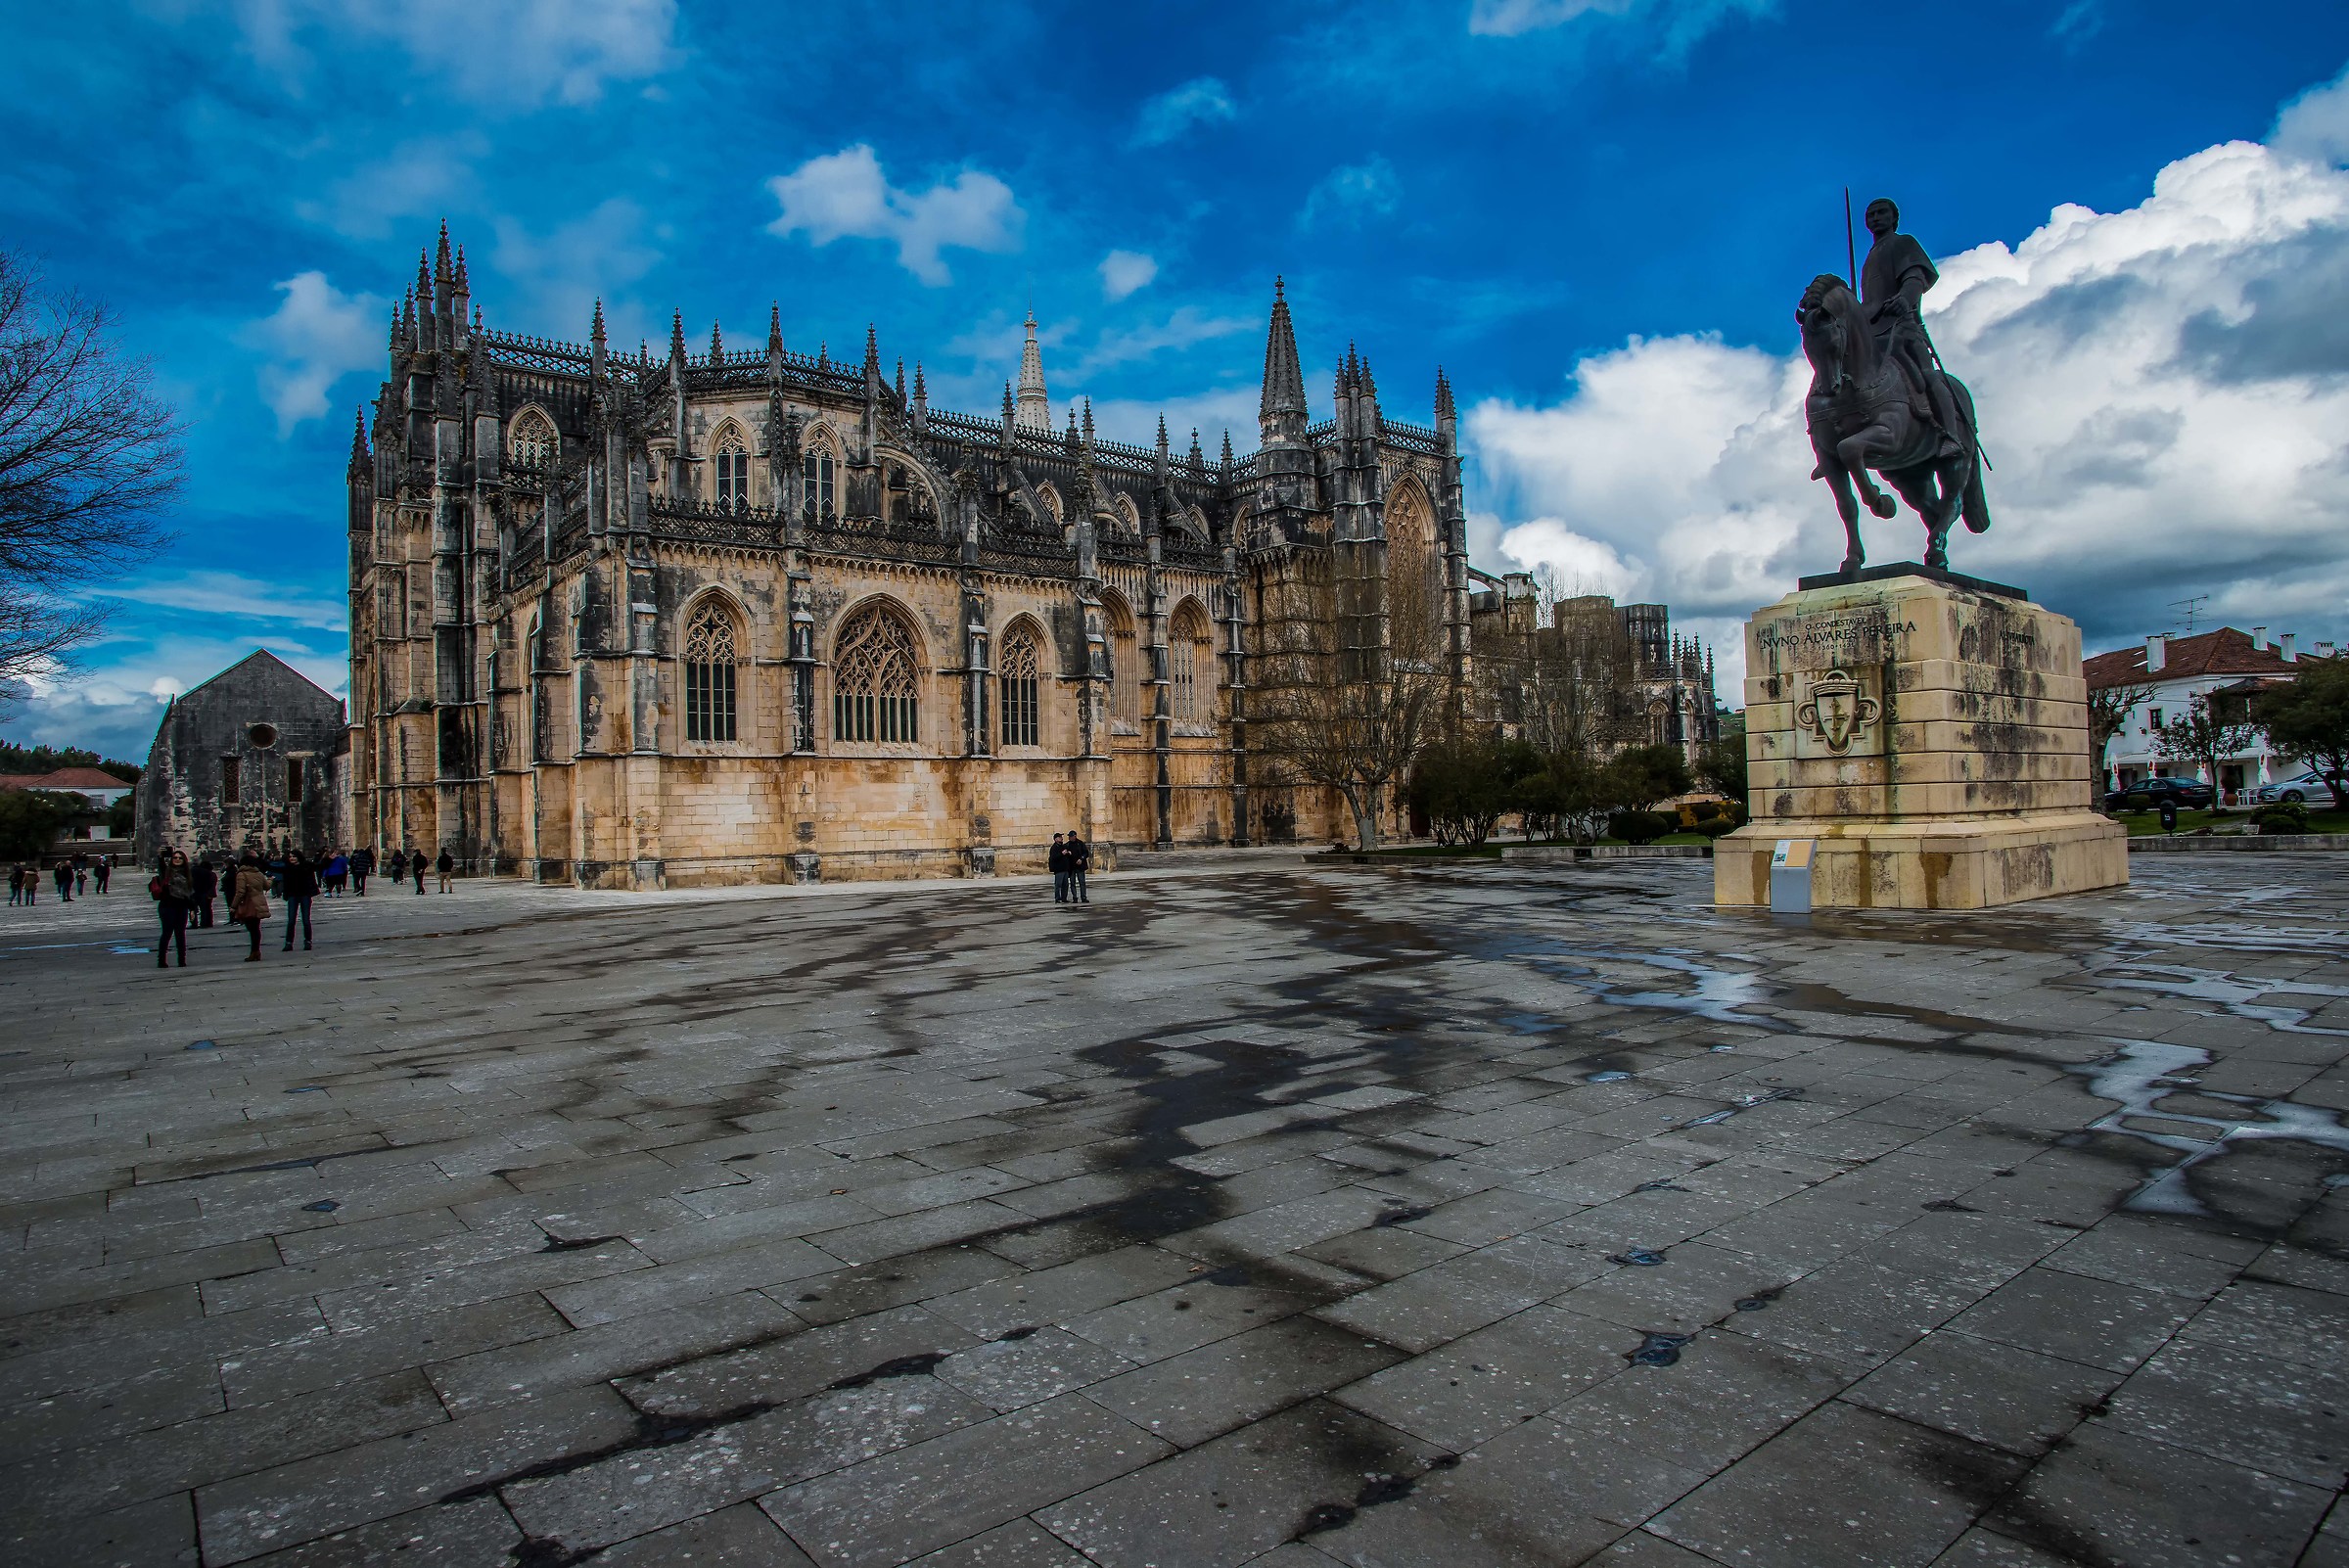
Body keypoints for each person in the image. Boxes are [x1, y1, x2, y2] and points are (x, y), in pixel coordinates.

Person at [1859, 197, 1962, 455]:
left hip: (1902, 326)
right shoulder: (1870, 256)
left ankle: (1951, 436)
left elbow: (1915, 278)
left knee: (1927, 376)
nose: (1875, 218)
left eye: (1881, 212)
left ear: (1894, 218)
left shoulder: (1903, 243)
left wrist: (1905, 299)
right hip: (1872, 332)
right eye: (1870, 214)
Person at [152, 850, 193, 968]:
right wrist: (160, 856)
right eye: (175, 858)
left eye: (180, 858)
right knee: (167, 933)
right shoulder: (167, 872)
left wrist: (192, 909)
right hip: (167, 906)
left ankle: (182, 960)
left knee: (181, 934)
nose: (177, 860)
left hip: (182, 906)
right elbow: (161, 867)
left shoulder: (187, 874)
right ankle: (162, 960)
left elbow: (190, 893)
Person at [228, 850, 270, 962]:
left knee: (251, 929)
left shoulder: (241, 874)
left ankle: (254, 952)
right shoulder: (259, 873)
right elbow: (266, 886)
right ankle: (256, 951)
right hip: (259, 903)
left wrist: (233, 906)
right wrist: (271, 880)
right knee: (256, 929)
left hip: (248, 904)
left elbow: (240, 892)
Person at [281, 850, 318, 950]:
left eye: (294, 856)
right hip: (292, 895)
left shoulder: (306, 866)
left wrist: (328, 858)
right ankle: (289, 942)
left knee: (306, 920)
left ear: (298, 857)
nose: (292, 858)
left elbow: (320, 866)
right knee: (291, 920)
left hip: (305, 895)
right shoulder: (288, 868)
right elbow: (272, 867)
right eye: (290, 856)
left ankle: (308, 941)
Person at [1064, 828, 1091, 903]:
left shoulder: (1080, 843)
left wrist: (1081, 859)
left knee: (1082, 882)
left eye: (1071, 836)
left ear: (1075, 836)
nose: (1070, 838)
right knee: (1072, 883)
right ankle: (1075, 897)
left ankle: (1083, 897)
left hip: (1080, 866)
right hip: (1072, 867)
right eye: (1069, 836)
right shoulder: (1067, 845)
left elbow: (1086, 853)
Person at [193, 857, 218, 928]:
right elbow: (210, 883)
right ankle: (205, 922)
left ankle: (194, 923)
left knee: (194, 909)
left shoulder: (192, 871)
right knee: (205, 908)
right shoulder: (208, 873)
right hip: (205, 892)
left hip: (195, 892)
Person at [1047, 833, 1070, 902]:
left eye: (1061, 837)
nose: (1061, 838)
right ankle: (1057, 898)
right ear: (1056, 839)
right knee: (1058, 884)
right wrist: (1061, 854)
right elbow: (1053, 858)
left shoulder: (1062, 846)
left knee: (1065, 885)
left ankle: (1064, 898)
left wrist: (1068, 853)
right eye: (1060, 837)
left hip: (1065, 869)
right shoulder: (1054, 848)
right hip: (1059, 869)